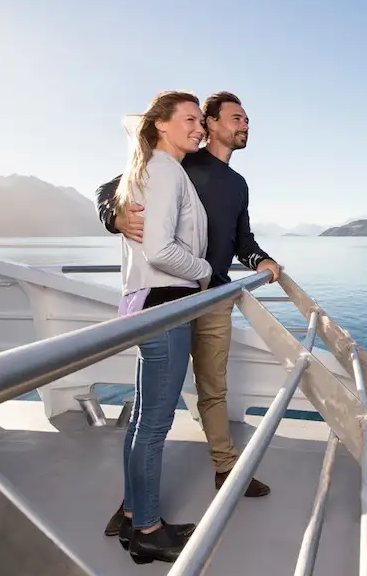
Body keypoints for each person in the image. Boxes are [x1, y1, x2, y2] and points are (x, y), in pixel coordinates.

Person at [96, 92, 281, 540]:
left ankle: (224, 470)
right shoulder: (179, 162)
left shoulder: (237, 185)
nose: (246, 125)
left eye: (248, 119)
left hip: (213, 295)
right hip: (172, 293)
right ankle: (135, 508)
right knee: (153, 409)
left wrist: (261, 261)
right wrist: (114, 218)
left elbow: (243, 239)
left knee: (211, 388)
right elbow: (111, 191)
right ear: (213, 122)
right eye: (237, 117)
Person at [114, 90, 211, 564]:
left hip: (143, 304)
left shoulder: (147, 168)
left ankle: (134, 514)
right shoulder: (167, 170)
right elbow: (160, 251)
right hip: (167, 305)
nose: (199, 127)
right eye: (190, 119)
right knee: (154, 425)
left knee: (140, 420)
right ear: (161, 126)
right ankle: (149, 530)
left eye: (200, 120)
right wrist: (205, 272)